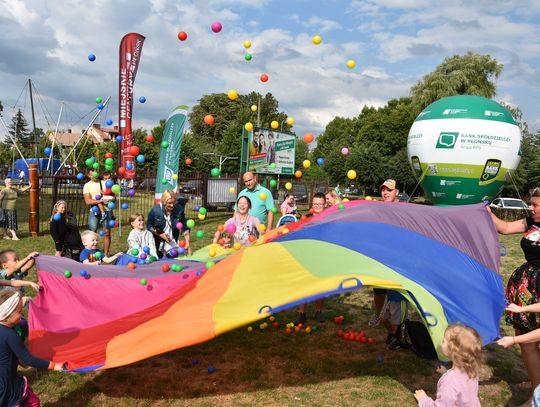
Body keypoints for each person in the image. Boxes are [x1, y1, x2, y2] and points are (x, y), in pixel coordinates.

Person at [488, 186, 540, 401]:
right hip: (526, 288)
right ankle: (535, 383)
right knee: (525, 341)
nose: (530, 207)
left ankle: (536, 396)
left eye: (535, 204)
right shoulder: (531, 221)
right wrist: (485, 209)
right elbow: (506, 227)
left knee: (531, 341)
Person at [0, 290, 65, 407]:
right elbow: (28, 359)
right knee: (31, 402)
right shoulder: (11, 335)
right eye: (19, 311)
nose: (21, 314)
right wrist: (54, 365)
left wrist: (18, 360)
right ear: (7, 315)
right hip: (8, 385)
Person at [414, 324, 482, 406]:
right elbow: (460, 384)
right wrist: (446, 372)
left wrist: (423, 399)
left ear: (452, 350)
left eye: (444, 341)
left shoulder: (449, 382)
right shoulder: (471, 370)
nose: (441, 342)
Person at [369, 179, 400, 328]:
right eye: (383, 190)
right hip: (380, 255)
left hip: (397, 256)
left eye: (389, 190)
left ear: (396, 192)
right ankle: (379, 314)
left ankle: (396, 323)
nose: (385, 193)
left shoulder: (404, 209)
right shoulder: (377, 207)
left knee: (396, 293)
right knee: (379, 290)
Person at [295, 192, 327, 325]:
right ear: (312, 204)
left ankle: (318, 311)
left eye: (320, 204)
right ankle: (301, 313)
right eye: (315, 204)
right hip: (307, 256)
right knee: (304, 285)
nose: (317, 206)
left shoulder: (329, 218)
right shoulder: (305, 218)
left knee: (320, 285)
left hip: (322, 256)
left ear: (325, 204)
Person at [147, 189, 191, 257]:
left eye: (174, 203)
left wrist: (187, 240)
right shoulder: (155, 210)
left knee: (173, 262)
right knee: (157, 262)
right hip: (157, 243)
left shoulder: (179, 210)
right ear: (164, 202)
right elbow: (149, 226)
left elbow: (184, 226)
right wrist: (161, 234)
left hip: (172, 243)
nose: (172, 205)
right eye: (169, 203)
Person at [83, 170, 113, 256]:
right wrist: (100, 201)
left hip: (107, 210)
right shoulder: (87, 185)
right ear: (88, 175)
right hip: (94, 211)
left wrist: (111, 199)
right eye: (92, 175)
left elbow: (112, 194)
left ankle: (106, 254)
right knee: (92, 232)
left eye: (96, 174)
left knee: (107, 232)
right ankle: (92, 253)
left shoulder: (104, 183)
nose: (95, 176)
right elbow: (88, 201)